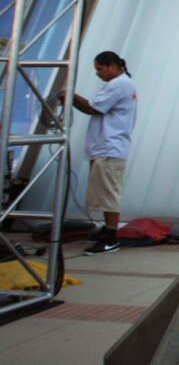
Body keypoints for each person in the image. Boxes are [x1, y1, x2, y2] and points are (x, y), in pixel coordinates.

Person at [69, 51, 138, 256]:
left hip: (110, 146)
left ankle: (111, 236)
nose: (98, 74)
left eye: (99, 69)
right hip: (106, 146)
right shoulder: (120, 84)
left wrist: (70, 96)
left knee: (109, 193)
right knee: (104, 192)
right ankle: (107, 230)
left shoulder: (120, 84)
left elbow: (93, 107)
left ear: (111, 66)